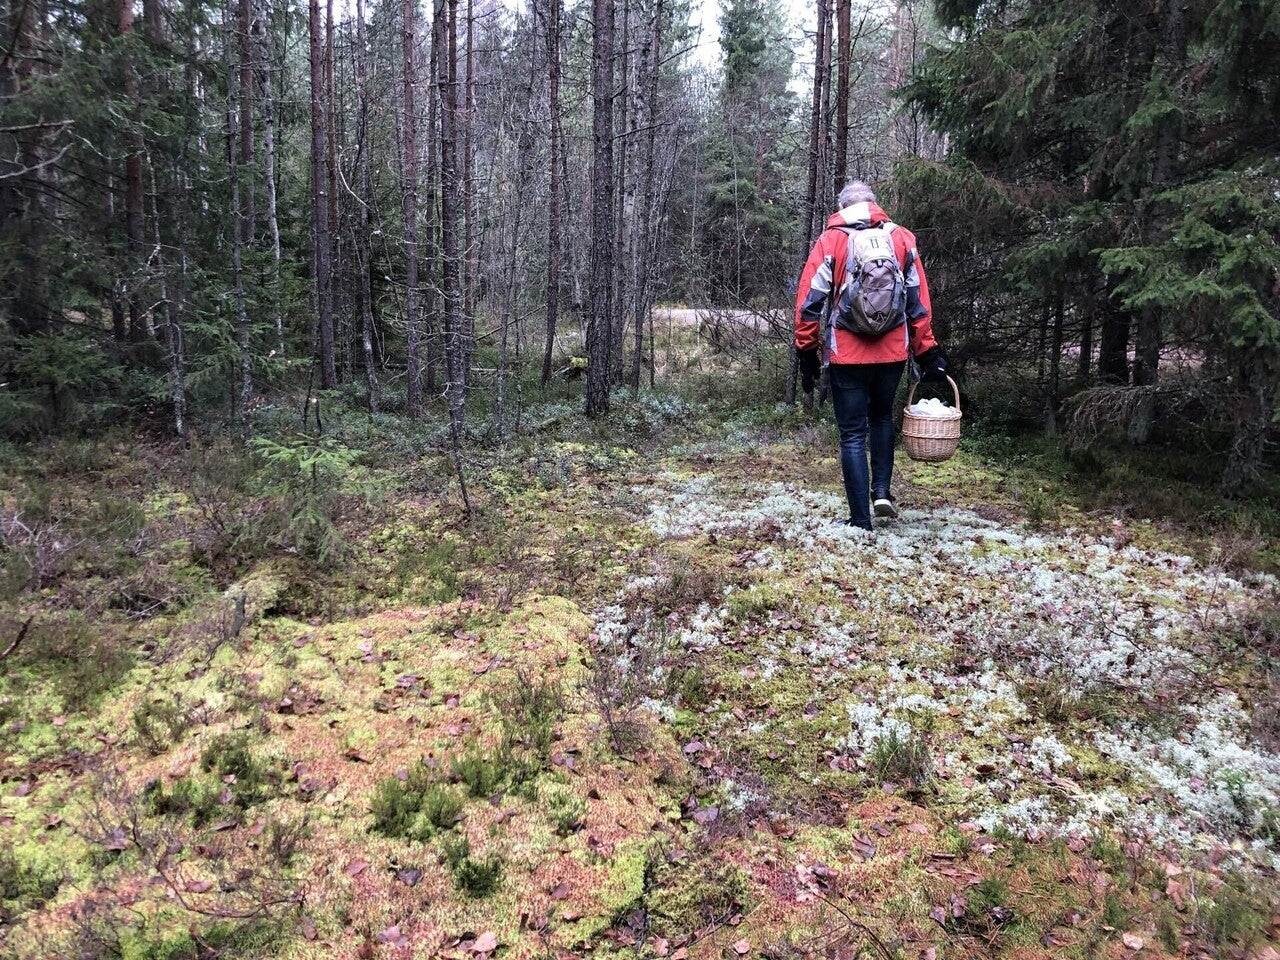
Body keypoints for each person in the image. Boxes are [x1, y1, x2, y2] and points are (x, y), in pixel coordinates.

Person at [794, 180, 948, 530]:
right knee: (881, 419)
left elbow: (809, 302)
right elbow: (917, 301)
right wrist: (926, 351)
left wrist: (806, 349)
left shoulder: (831, 240)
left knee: (851, 434)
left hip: (847, 354)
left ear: (843, 207)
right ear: (874, 205)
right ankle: (881, 492)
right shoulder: (902, 238)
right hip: (892, 352)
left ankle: (860, 520)